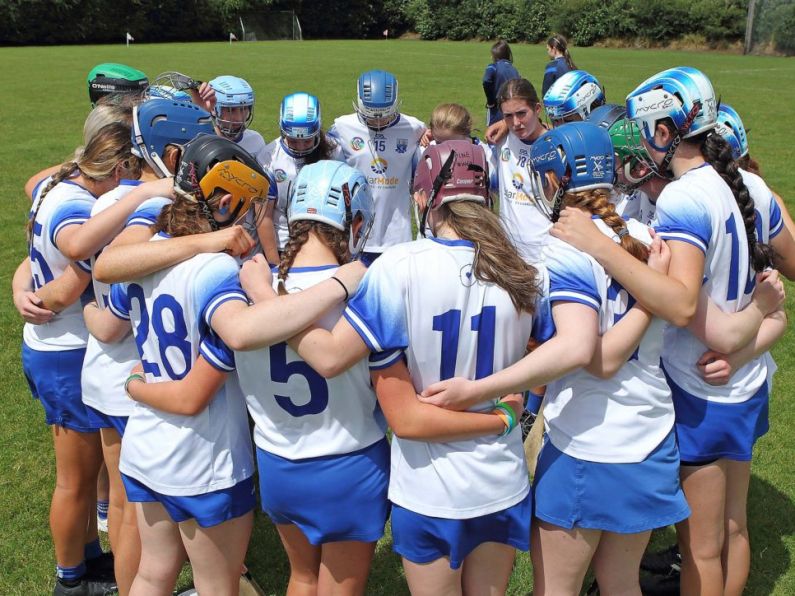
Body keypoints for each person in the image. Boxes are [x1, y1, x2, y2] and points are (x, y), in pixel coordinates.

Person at [266, 140, 591, 594]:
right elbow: (549, 347)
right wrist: (505, 410)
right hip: (500, 480)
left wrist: (271, 300)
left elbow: (381, 397)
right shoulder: (525, 272)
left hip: (427, 488)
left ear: (422, 199)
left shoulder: (396, 268)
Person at [550, 66, 786, 596]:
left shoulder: (683, 197)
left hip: (698, 385)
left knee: (700, 547)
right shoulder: (750, 183)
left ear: (665, 130)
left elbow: (679, 305)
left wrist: (599, 246)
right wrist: (759, 327)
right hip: (744, 384)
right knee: (734, 527)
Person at [83, 135, 272, 596]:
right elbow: (239, 336)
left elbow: (110, 269)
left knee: (152, 572)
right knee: (217, 584)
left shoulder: (150, 252)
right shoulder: (219, 272)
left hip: (147, 445)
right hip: (204, 455)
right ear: (225, 201)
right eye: (245, 205)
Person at [526, 121, 690, 594]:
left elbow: (594, 360)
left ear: (557, 179)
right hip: (651, 433)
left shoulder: (564, 249)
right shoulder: (645, 233)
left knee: (556, 588)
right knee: (621, 584)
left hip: (588, 441)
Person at [18, 122, 138, 596]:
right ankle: (70, 581)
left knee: (85, 477)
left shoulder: (57, 184)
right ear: (117, 168)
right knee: (74, 480)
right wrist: (39, 299)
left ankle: (89, 560)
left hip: (52, 347)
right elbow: (72, 264)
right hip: (64, 349)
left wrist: (21, 289)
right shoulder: (79, 207)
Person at [328, 69, 426, 265]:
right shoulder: (341, 127)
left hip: (397, 236)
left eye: (385, 117)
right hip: (355, 235)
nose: (379, 122)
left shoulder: (414, 128)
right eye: (372, 117)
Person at [260, 92, 344, 264]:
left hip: (323, 245)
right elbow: (264, 217)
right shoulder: (269, 157)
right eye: (293, 141)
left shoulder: (333, 151)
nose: (300, 147)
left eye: (306, 141)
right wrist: (275, 266)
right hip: (283, 245)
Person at [488, 78, 550, 261]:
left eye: (521, 113)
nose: (515, 123)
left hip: (545, 254)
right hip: (509, 254)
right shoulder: (501, 141)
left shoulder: (555, 146)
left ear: (537, 109)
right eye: (508, 116)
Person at [208, 75, 269, 164]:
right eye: (231, 110)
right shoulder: (204, 142)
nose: (239, 118)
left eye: (243, 109)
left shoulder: (256, 140)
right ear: (214, 109)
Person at [482, 40, 520, 126]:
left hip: (497, 108)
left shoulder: (493, 66)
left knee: (493, 133)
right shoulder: (514, 70)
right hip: (512, 106)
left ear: (495, 55)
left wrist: (490, 101)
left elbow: (486, 81)